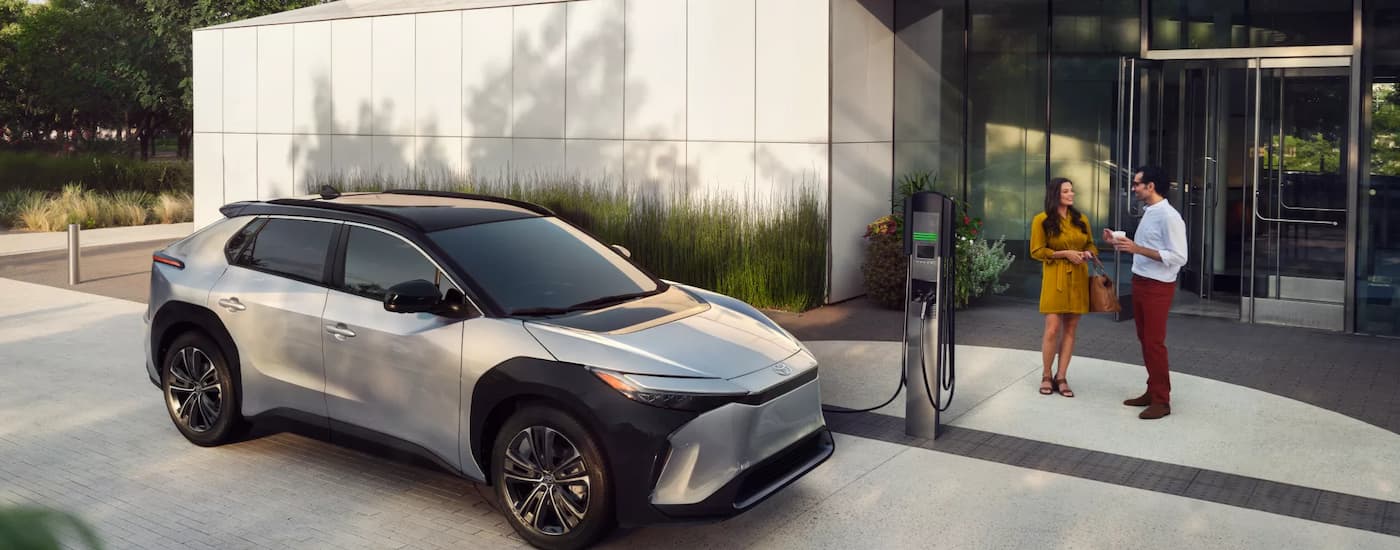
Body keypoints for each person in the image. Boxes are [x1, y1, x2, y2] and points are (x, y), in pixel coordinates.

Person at [1105, 166, 1187, 420]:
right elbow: (1145, 246)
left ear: (1151, 186)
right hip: (1141, 281)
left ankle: (1162, 401)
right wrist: (1120, 243)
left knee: (1154, 342)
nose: (1133, 188)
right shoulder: (1150, 212)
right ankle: (1153, 391)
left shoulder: (1169, 216)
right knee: (1146, 340)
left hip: (1157, 286)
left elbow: (1179, 257)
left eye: (1137, 184)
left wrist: (1137, 249)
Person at [1029, 177, 1097, 398]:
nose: (1071, 194)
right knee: (1052, 328)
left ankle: (1062, 376)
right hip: (1055, 278)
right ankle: (1046, 374)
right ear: (1055, 194)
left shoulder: (1081, 219)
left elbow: (1091, 244)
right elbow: (1037, 251)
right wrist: (1064, 253)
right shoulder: (1041, 220)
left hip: (1078, 278)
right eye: (1066, 191)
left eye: (1071, 190)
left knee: (1071, 329)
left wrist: (1088, 253)